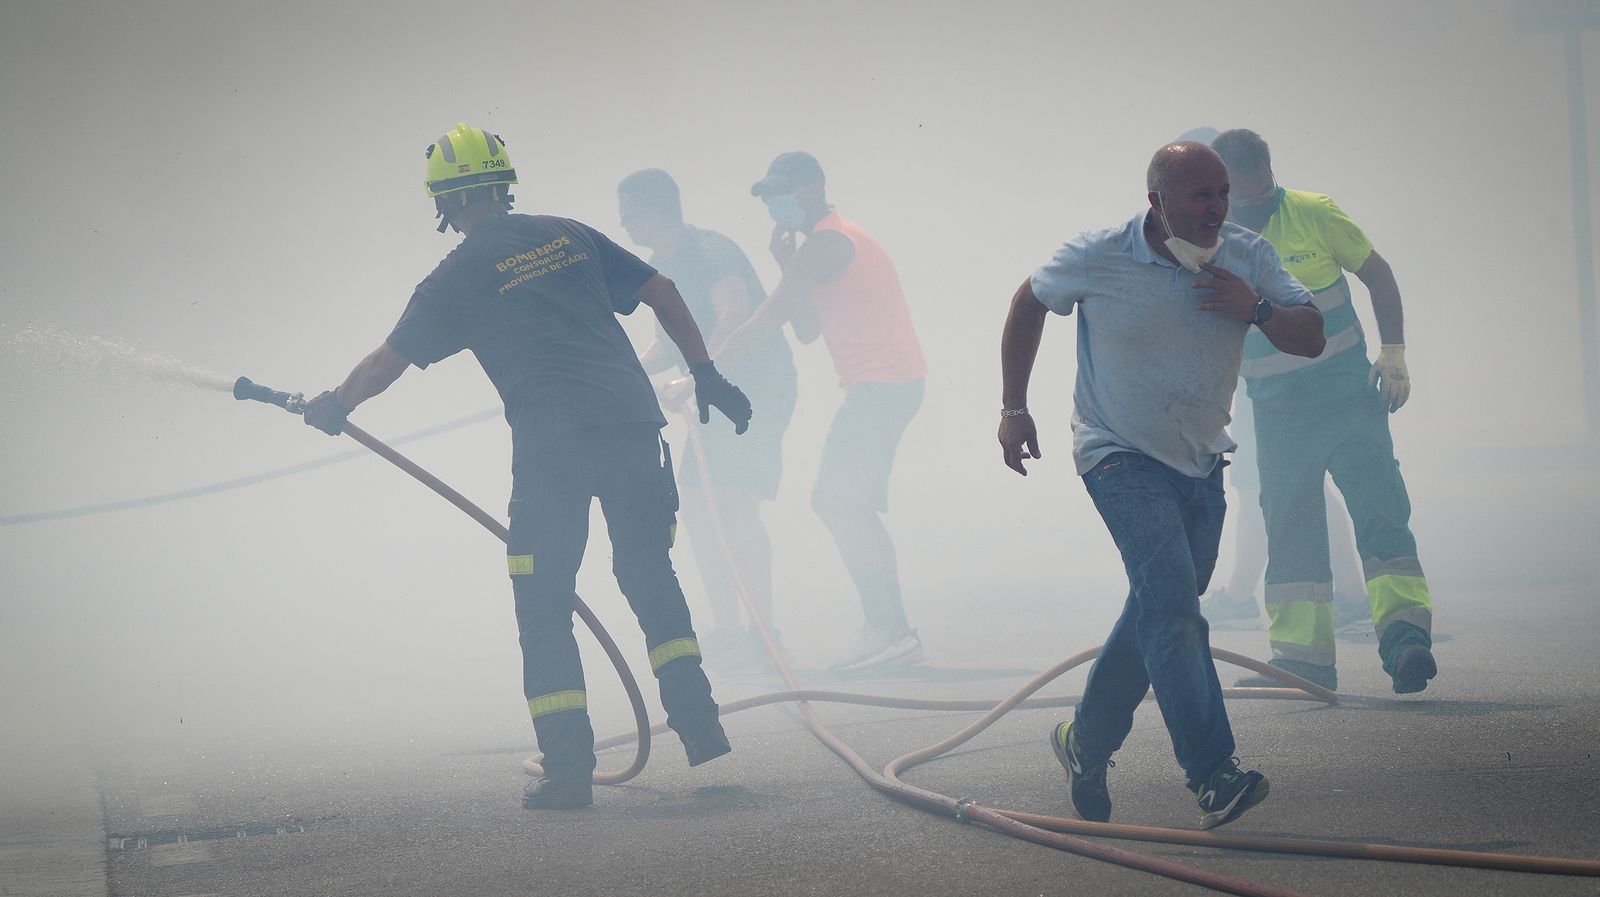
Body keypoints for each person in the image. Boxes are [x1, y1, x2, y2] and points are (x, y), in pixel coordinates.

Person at [300, 124, 752, 810]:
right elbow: (660, 290)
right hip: (632, 426)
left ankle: (568, 771)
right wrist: (707, 372)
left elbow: (387, 362)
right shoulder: (568, 232)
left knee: (544, 602)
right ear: (503, 184)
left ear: (445, 204)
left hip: (553, 449)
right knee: (647, 570)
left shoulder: (452, 277)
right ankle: (699, 724)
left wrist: (336, 402)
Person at [998, 141, 1325, 829]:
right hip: (1117, 455)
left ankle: (1084, 740)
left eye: (1221, 194)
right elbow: (1029, 303)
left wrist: (1257, 308)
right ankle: (1213, 773)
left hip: (1202, 464)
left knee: (1160, 605)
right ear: (1158, 202)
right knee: (1173, 607)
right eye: (1198, 196)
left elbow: (1312, 335)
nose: (1214, 209)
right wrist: (1014, 407)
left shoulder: (1247, 257)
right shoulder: (1100, 253)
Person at [1210, 128, 1437, 694]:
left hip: (1346, 398)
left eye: (1265, 193)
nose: (1257, 205)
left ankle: (1406, 639)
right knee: (1290, 527)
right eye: (1244, 198)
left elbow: (1377, 274)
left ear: (1270, 175)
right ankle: (1303, 661)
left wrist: (1395, 351)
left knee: (1380, 512)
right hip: (1277, 413)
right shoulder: (1210, 238)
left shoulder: (1313, 213)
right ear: (1223, 191)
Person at [716, 151, 928, 672]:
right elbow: (808, 329)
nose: (773, 203)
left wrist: (701, 372)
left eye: (780, 192)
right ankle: (891, 629)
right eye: (766, 196)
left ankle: (888, 629)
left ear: (813, 188)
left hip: (883, 385)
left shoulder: (831, 240)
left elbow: (769, 319)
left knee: (835, 500)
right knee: (845, 503)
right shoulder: (821, 245)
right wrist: (787, 264)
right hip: (889, 385)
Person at [616, 169, 798, 671]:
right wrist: (619, 373)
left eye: (630, 214)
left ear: (657, 211)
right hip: (708, 393)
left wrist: (695, 379)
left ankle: (766, 632)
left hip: (754, 391)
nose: (624, 224)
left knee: (735, 505)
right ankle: (730, 631)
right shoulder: (658, 266)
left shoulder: (712, 251)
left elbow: (732, 315)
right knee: (698, 508)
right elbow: (663, 344)